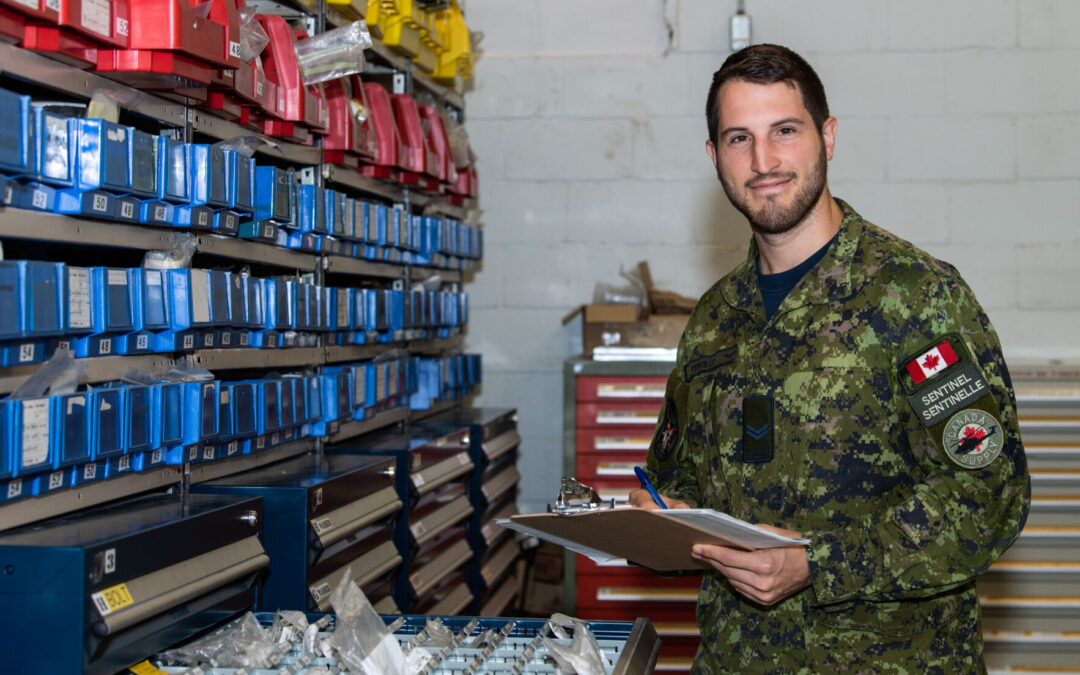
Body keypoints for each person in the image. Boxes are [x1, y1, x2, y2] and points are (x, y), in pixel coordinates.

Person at [628, 44, 1030, 673]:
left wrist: (818, 563)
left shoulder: (917, 298)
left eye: (784, 131)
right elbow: (678, 479)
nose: (763, 161)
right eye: (739, 138)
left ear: (827, 136)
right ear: (715, 157)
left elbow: (987, 493)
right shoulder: (713, 319)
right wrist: (660, 516)